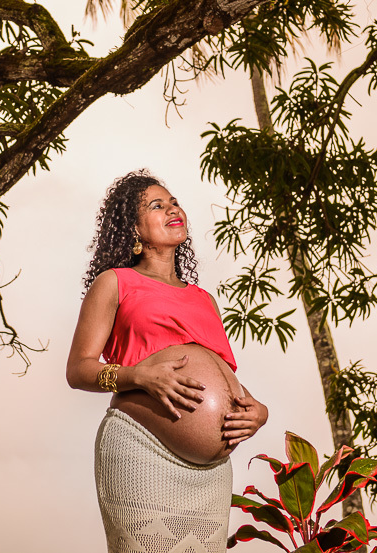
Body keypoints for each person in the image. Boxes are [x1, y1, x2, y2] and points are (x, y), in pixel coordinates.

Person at [67, 170, 268, 553]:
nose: (172, 209)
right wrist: (139, 376)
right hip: (141, 451)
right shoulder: (115, 282)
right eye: (156, 206)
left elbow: (220, 370)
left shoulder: (203, 298)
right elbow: (78, 370)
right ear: (133, 231)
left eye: (173, 201)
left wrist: (258, 411)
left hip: (211, 474)